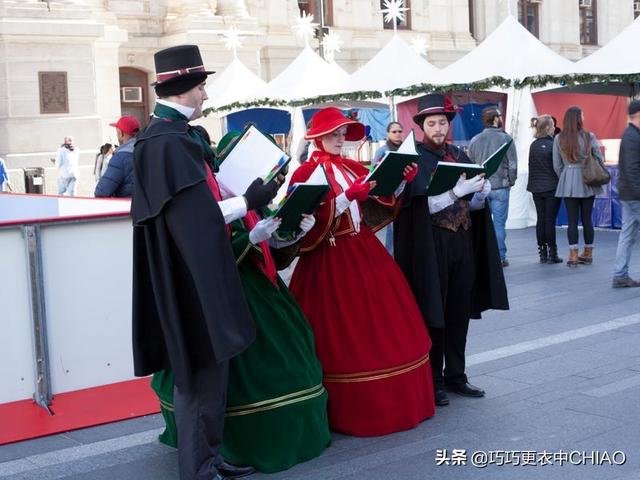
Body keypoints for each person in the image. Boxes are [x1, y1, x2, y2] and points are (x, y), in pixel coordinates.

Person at [130, 44, 280, 480]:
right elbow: (194, 219)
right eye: (201, 88)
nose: (206, 96)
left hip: (195, 270)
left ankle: (209, 458)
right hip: (190, 277)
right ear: (183, 89)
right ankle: (198, 469)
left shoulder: (170, 138)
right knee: (199, 373)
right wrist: (247, 201)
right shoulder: (167, 142)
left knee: (211, 370)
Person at [150, 131, 331, 473]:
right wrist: (250, 236)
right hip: (228, 294)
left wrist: (294, 231)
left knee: (293, 357)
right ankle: (218, 450)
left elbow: (272, 249)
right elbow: (205, 255)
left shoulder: (252, 199)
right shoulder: (210, 199)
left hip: (264, 289)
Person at [287, 107, 435, 436]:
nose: (340, 139)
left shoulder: (351, 167)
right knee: (341, 332)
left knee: (386, 327)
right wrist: (343, 199)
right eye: (334, 133)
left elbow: (376, 200)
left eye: (343, 133)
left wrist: (399, 182)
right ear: (317, 137)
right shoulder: (305, 173)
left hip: (363, 249)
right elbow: (298, 222)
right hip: (328, 258)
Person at [394, 94, 509, 407]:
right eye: (432, 123)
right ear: (422, 126)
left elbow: (470, 206)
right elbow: (419, 207)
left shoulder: (459, 154)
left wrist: (480, 193)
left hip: (462, 240)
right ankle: (433, 380)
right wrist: (456, 191)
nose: (438, 128)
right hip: (431, 245)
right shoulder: (414, 159)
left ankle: (456, 375)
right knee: (434, 311)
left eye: (442, 122)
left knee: (459, 310)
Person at [553, 106, 604, 267]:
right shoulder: (590, 136)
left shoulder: (559, 138)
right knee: (587, 219)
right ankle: (588, 253)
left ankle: (573, 255)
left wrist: (566, 176)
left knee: (572, 220)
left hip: (568, 180)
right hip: (588, 180)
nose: (584, 117)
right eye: (582, 115)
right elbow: (599, 159)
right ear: (578, 118)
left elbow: (556, 165)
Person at [468, 106, 518, 267]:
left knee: (481, 224)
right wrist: (511, 181)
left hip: (480, 187)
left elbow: (470, 164)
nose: (501, 118)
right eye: (500, 116)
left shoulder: (475, 140)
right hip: (500, 186)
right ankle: (500, 257)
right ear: (496, 119)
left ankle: (482, 256)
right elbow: (513, 164)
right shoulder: (506, 139)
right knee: (499, 224)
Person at [527, 115, 563, 264]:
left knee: (541, 219)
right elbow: (558, 166)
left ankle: (542, 253)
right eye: (553, 125)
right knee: (549, 220)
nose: (554, 128)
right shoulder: (553, 144)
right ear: (548, 127)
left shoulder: (533, 145)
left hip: (536, 187)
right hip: (551, 187)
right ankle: (552, 253)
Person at [612, 100, 640, 288]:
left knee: (627, 235)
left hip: (629, 194)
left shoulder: (631, 134)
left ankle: (620, 274)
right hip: (635, 195)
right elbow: (632, 170)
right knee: (627, 235)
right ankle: (620, 274)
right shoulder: (632, 137)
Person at [95, 116, 140, 197]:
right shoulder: (150, 151)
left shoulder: (120, 158)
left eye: (117, 132)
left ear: (121, 133)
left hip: (127, 204)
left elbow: (101, 192)